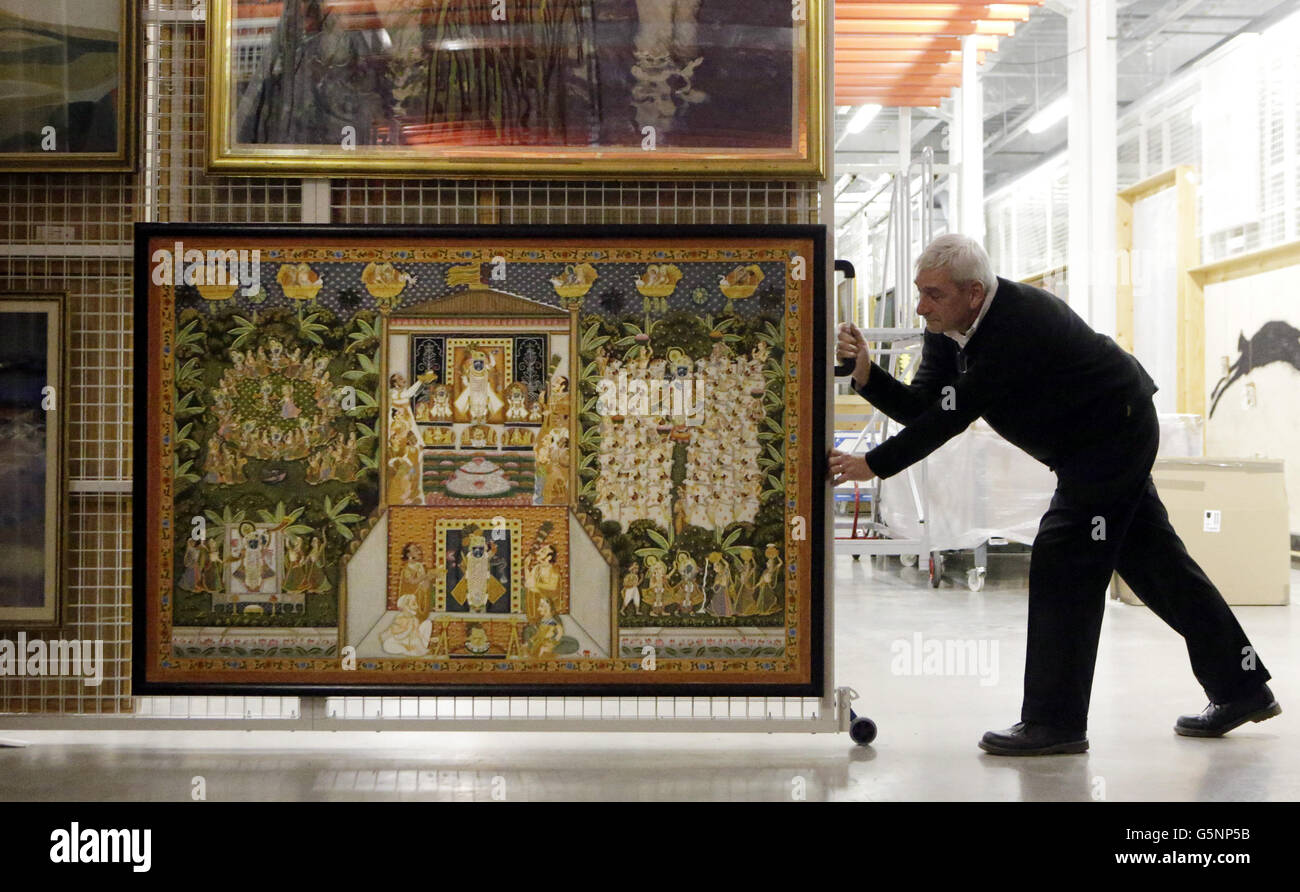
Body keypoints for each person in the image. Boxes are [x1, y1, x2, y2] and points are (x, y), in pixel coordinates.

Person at [830, 233, 1279, 756]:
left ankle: (1054, 722)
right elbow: (925, 405)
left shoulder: (1017, 322)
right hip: (1088, 444)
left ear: (974, 292)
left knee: (1064, 558)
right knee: (1158, 565)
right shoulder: (948, 329)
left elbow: (952, 417)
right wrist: (866, 374)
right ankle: (1242, 687)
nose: (920, 306)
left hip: (1114, 430)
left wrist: (873, 464)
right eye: (919, 292)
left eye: (933, 294)